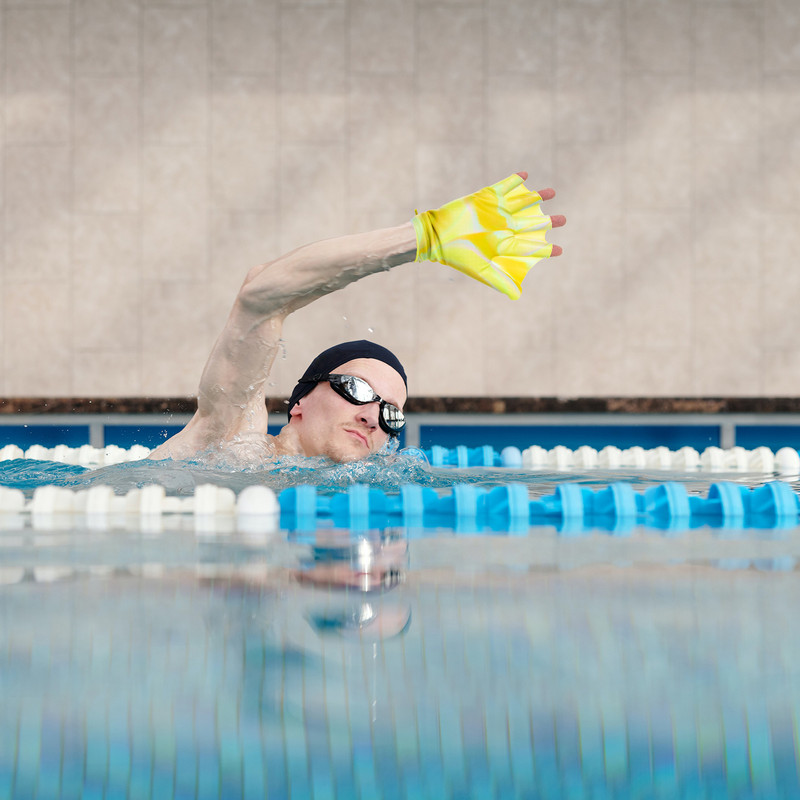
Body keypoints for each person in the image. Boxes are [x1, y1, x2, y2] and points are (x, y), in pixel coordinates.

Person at [149, 172, 566, 464]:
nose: (371, 418)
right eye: (356, 389)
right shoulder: (230, 443)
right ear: (300, 402)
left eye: (391, 414)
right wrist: (424, 237)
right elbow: (261, 296)